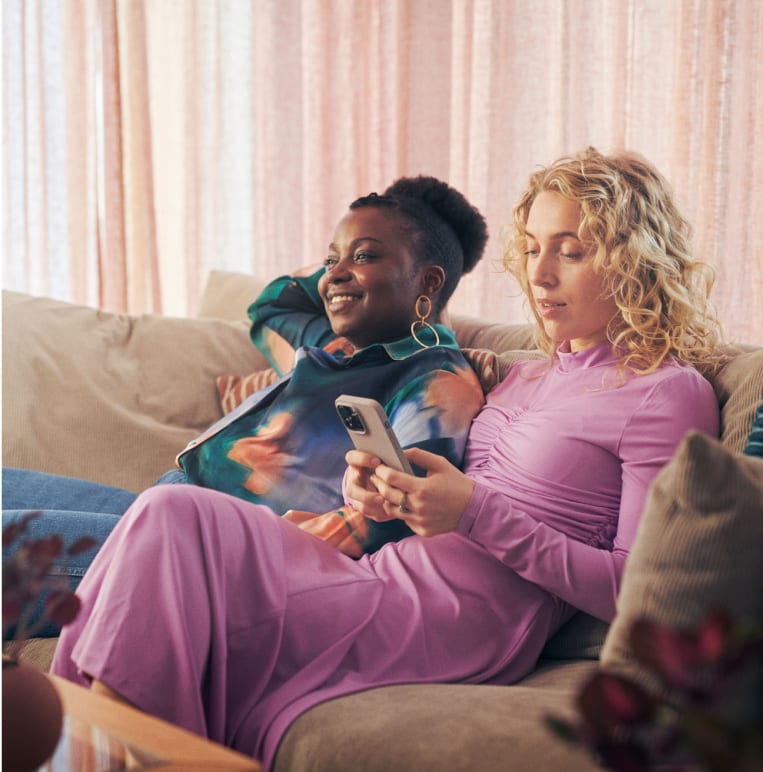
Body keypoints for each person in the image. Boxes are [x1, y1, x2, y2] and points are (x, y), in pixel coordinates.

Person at [51, 147, 722, 771]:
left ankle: (96, 748)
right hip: (386, 568)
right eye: (532, 248)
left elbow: (639, 596)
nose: (540, 274)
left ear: (633, 258)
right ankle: (103, 745)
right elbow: (446, 493)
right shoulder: (525, 376)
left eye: (570, 251)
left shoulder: (664, 394)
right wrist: (382, 494)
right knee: (171, 512)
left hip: (462, 617)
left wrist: (476, 512)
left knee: (168, 530)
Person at [2, 175, 488, 638]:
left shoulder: (435, 382)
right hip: (171, 505)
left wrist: (262, 558)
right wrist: (342, 270)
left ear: (428, 282)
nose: (335, 273)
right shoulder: (338, 344)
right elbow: (272, 304)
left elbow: (392, 516)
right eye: (330, 257)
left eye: (364, 255)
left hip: (213, 555)